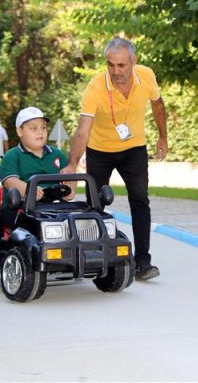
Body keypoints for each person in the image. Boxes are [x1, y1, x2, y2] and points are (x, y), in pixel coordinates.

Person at [62, 37, 168, 281]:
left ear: (134, 61)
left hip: (134, 149)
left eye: (121, 65)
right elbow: (82, 130)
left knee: (140, 201)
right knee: (95, 204)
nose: (116, 71)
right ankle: (92, 257)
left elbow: (158, 105)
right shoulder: (96, 88)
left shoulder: (146, 76)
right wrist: (73, 163)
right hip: (100, 151)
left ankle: (142, 262)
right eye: (111, 65)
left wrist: (163, 138)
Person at [0, 107, 73, 230]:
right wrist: (30, 190)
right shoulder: (12, 155)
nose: (40, 132)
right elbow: (10, 181)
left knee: (80, 219)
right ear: (20, 131)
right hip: (20, 206)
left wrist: (71, 189)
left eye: (43, 127)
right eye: (33, 128)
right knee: (37, 224)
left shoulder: (58, 155)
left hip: (53, 206)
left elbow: (69, 177)